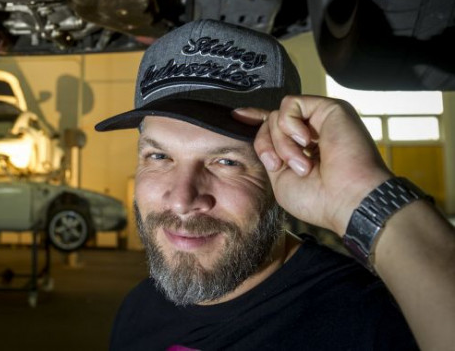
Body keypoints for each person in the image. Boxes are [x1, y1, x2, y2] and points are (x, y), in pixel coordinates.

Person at [95, 19, 455, 350]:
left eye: (227, 161)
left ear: (282, 165)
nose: (182, 199)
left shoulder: (369, 320)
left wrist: (361, 193)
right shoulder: (138, 310)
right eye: (159, 156)